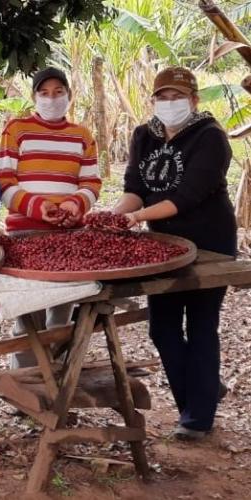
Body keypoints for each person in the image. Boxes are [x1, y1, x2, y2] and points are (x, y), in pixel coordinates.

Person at [109, 66, 235, 440]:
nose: (169, 104)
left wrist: (136, 218)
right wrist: (110, 217)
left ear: (194, 100)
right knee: (162, 328)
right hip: (161, 247)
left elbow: (186, 197)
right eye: (162, 97)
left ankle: (196, 418)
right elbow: (135, 188)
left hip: (209, 243)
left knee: (200, 324)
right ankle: (205, 390)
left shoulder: (211, 138)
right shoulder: (143, 135)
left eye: (177, 97)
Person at [0, 67, 101, 369]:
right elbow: (3, 180)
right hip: (24, 234)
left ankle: (56, 383)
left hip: (68, 236)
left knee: (61, 315)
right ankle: (26, 385)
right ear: (34, 97)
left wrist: (75, 205)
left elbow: (91, 182)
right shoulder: (16, 130)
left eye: (58, 93)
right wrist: (37, 207)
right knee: (29, 315)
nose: (52, 99)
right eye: (44, 93)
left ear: (69, 96)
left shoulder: (82, 136)